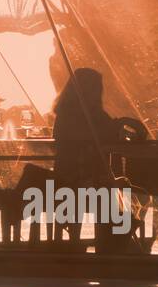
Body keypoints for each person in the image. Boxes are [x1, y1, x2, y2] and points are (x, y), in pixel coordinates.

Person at [50, 68, 147, 248]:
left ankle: (114, 237)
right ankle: (114, 240)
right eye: (96, 88)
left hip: (80, 177)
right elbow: (104, 133)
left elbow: (110, 131)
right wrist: (123, 124)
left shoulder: (83, 114)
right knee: (118, 192)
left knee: (127, 192)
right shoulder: (74, 115)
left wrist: (121, 126)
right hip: (75, 179)